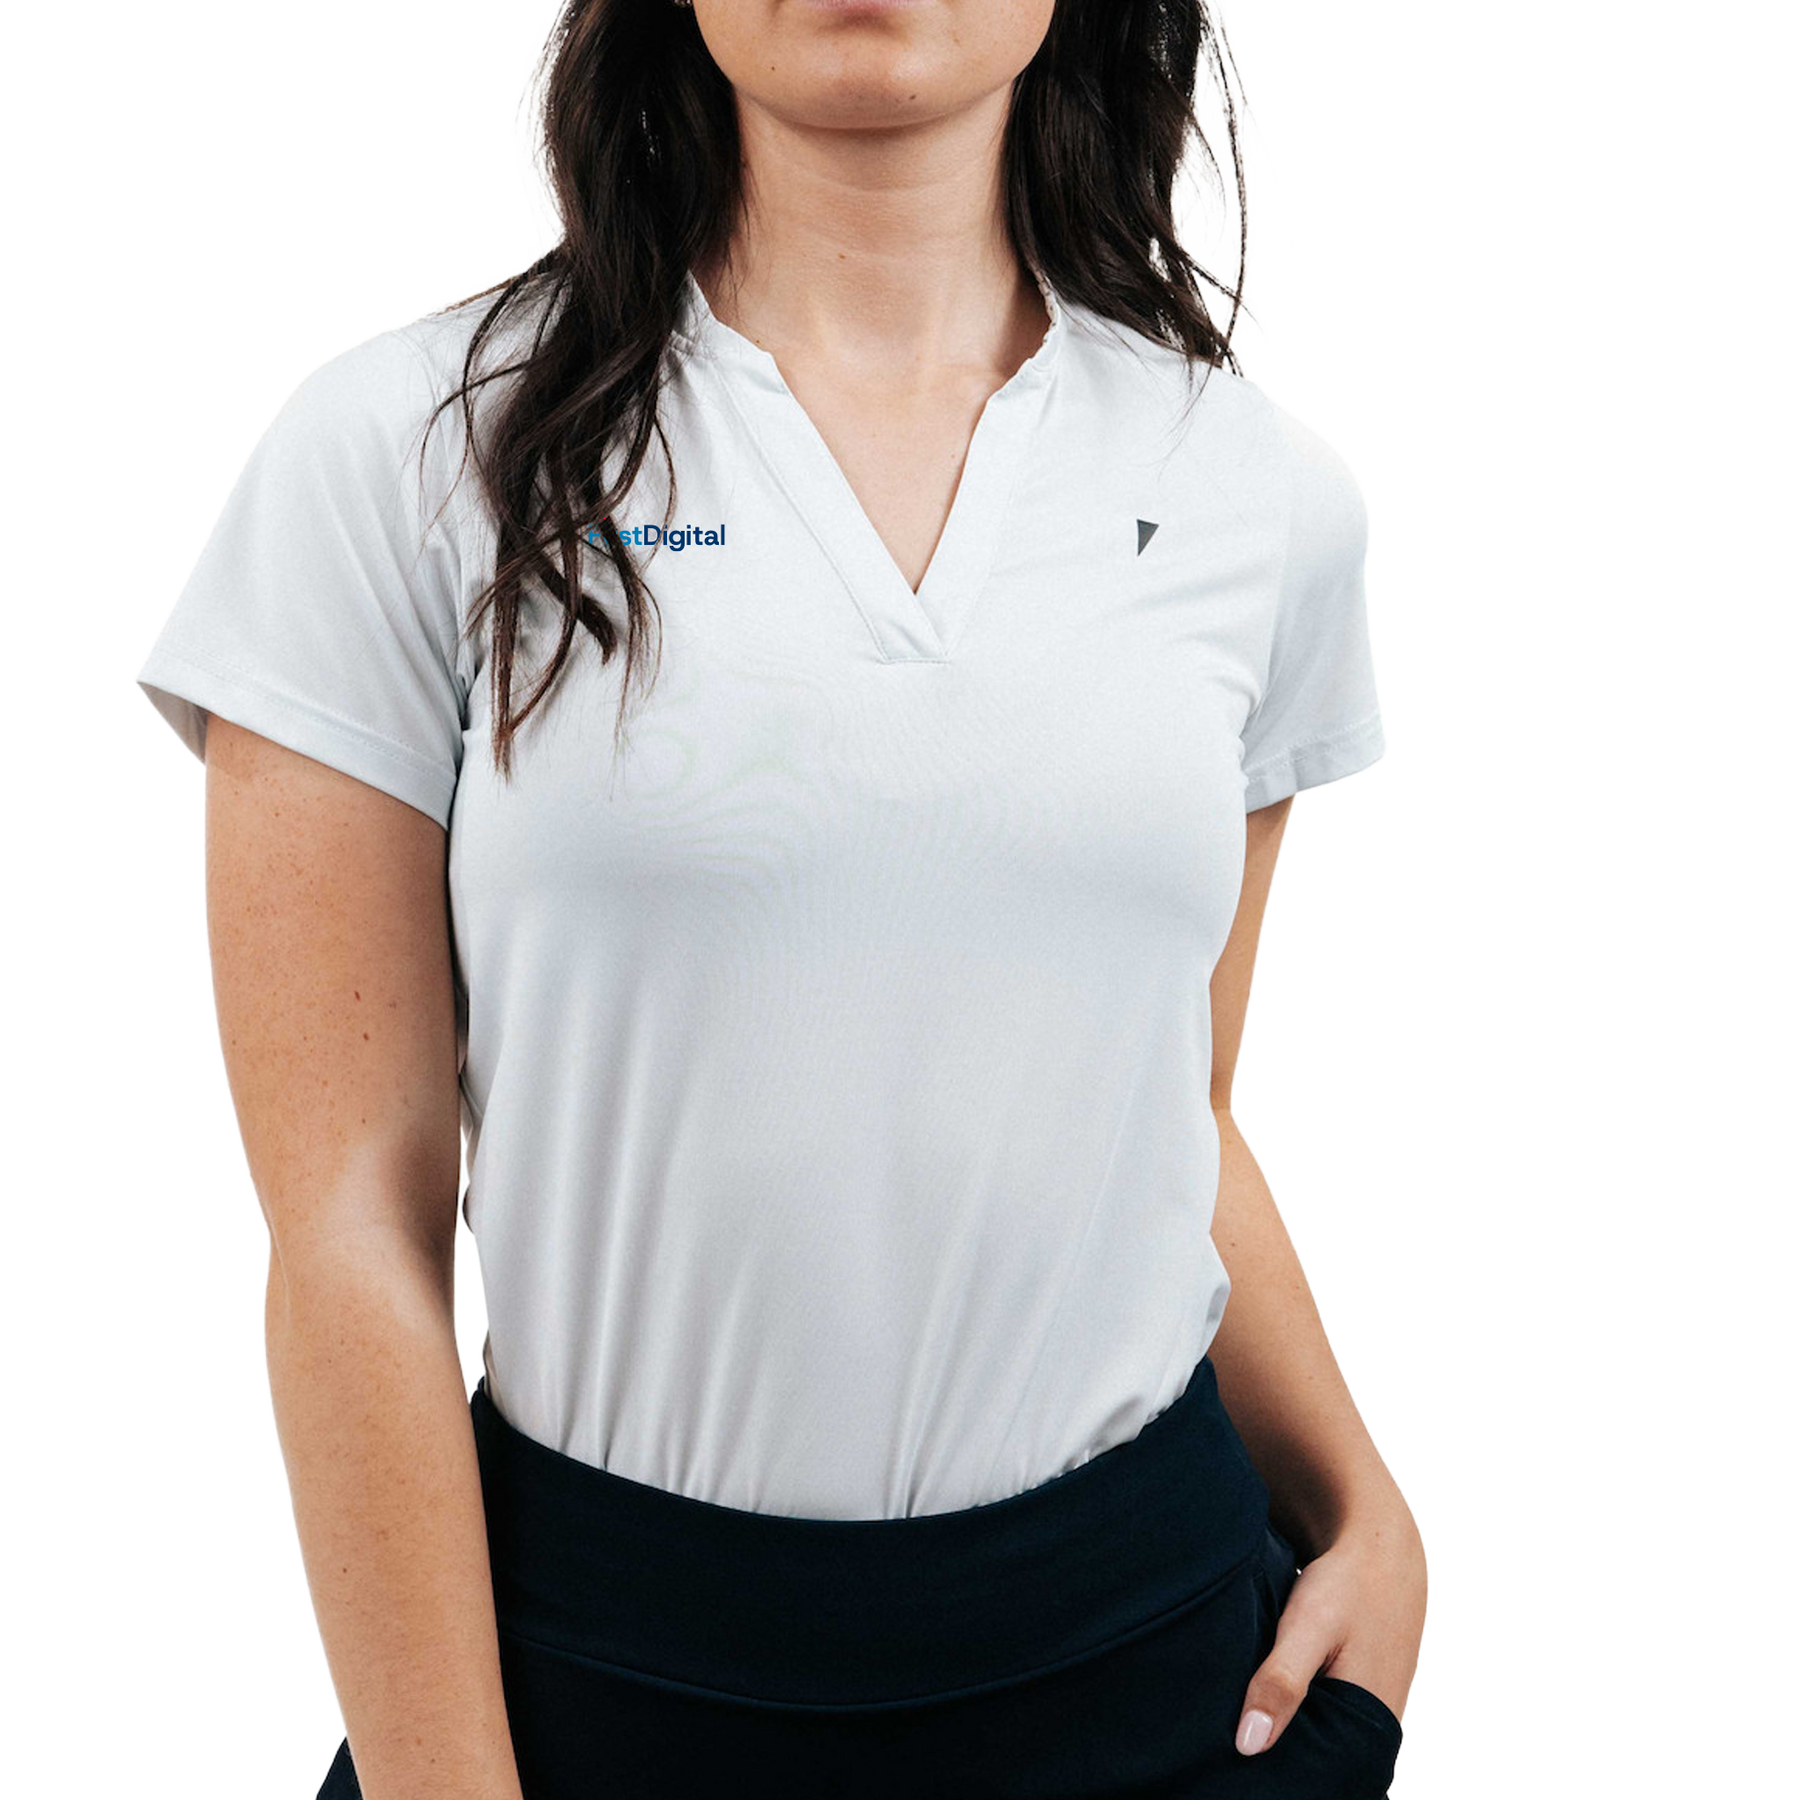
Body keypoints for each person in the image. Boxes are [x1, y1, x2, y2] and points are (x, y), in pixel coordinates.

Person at [127, 2, 1429, 1795]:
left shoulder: (1262, 497)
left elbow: (1176, 1113)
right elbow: (353, 1218)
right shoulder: (401, 450)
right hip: (603, 1684)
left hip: (1163, 1671)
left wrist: (1368, 1507)